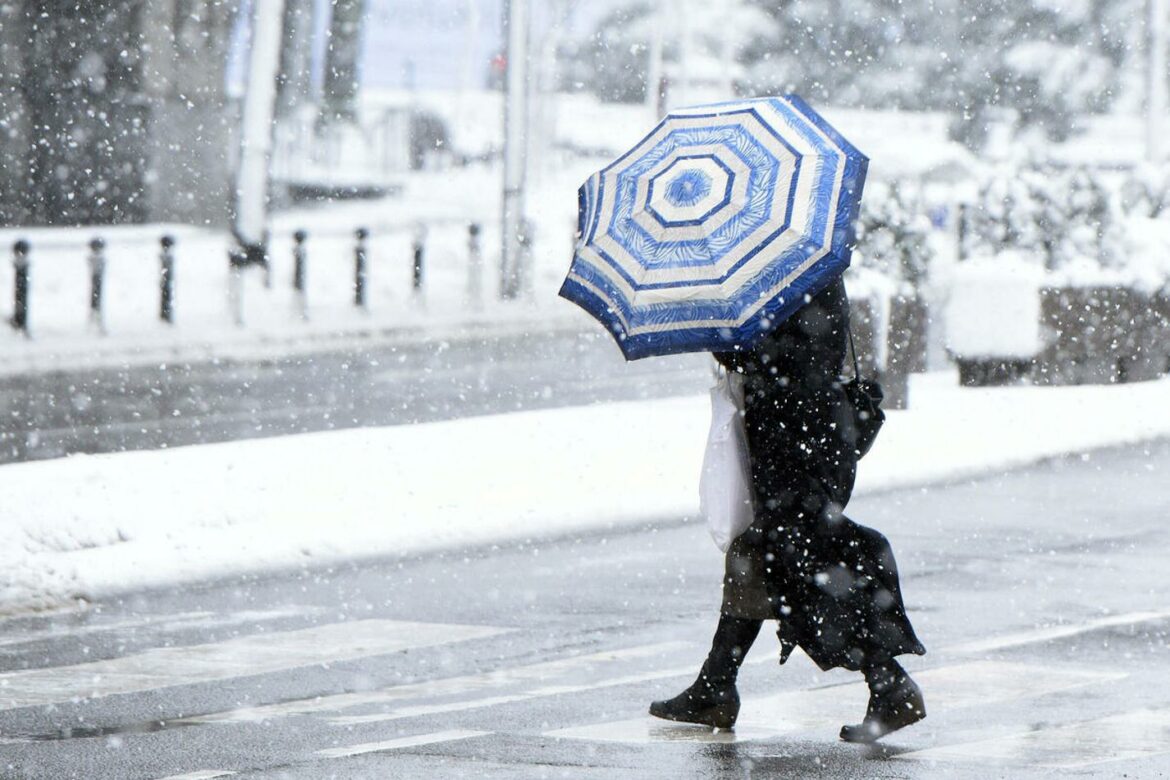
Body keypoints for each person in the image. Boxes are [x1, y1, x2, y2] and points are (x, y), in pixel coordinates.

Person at [649, 277, 926, 743]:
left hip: (796, 437)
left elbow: (784, 354)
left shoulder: (788, 274)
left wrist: (730, 347)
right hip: (807, 430)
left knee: (798, 558)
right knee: (763, 553)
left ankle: (889, 681)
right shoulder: (803, 265)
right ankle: (716, 683)